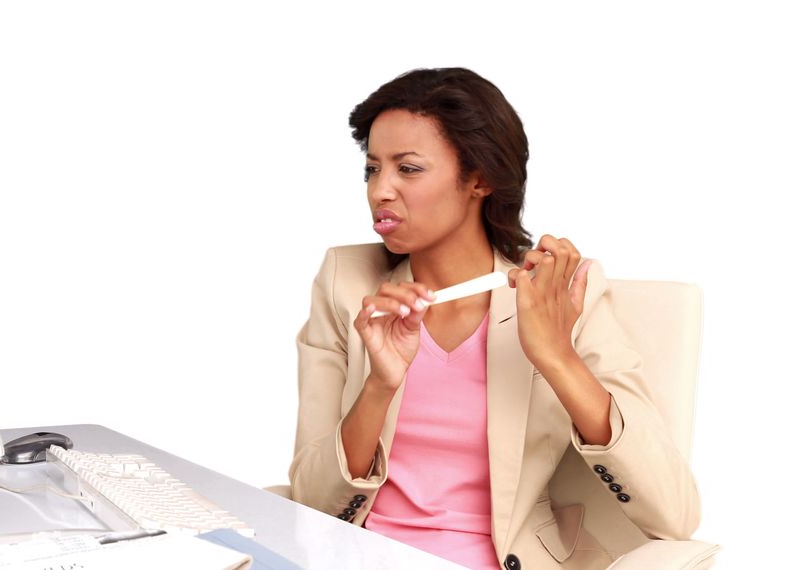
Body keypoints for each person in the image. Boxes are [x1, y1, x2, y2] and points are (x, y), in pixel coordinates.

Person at [288, 68, 701, 569]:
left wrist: (555, 354)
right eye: (372, 169)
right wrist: (380, 385)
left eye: (409, 169)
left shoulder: (562, 294)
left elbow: (674, 515)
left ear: (480, 179)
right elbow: (310, 502)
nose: (381, 190)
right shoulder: (347, 283)